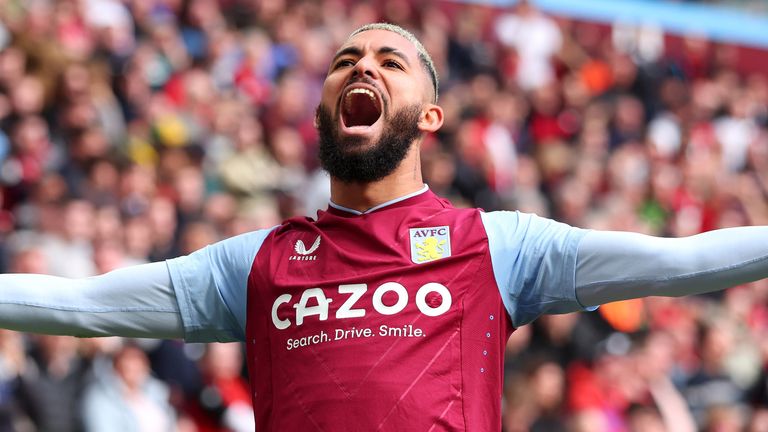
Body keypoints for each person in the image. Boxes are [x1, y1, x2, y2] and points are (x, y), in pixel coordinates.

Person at [0, 23, 768, 431]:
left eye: (389, 62)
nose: (362, 67)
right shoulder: (257, 264)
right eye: (345, 59)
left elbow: (681, 261)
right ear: (323, 102)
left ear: (429, 117)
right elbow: (80, 303)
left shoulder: (499, 246)